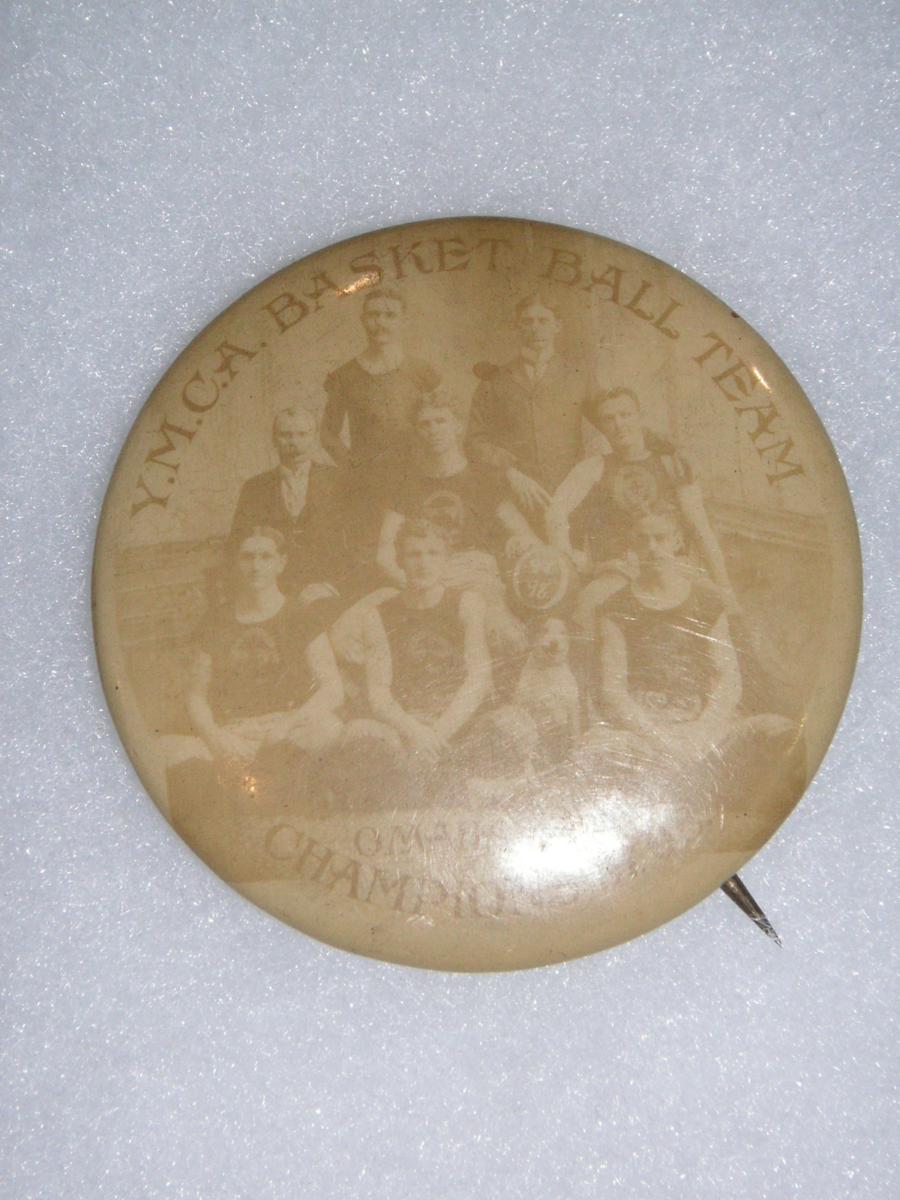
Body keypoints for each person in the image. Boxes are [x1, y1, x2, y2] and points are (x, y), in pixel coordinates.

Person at [184, 527, 344, 774]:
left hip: (288, 728)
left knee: (329, 728)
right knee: (172, 750)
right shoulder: (216, 621)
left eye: (266, 557)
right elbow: (196, 694)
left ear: (282, 563)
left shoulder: (301, 616)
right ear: (236, 562)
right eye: (247, 557)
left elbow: (333, 688)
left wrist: (286, 726)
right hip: (234, 730)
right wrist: (216, 738)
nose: (256, 567)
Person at [548, 387, 731, 591]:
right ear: (601, 427)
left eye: (625, 415)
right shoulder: (592, 468)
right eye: (609, 419)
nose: (619, 424)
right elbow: (555, 513)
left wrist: (726, 590)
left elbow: (700, 528)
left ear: (640, 417)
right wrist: (571, 564)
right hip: (618, 577)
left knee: (713, 599)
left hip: (671, 573)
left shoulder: (671, 464)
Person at [361, 519, 491, 763]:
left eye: (433, 553)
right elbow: (378, 693)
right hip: (408, 726)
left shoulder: (467, 604)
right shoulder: (377, 616)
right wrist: (416, 733)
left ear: (446, 559)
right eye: (414, 554)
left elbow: (479, 679)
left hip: (457, 721)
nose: (423, 563)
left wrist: (437, 735)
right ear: (400, 560)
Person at [465, 292, 598, 515]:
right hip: (514, 493)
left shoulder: (579, 376)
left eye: (543, 320)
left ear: (557, 326)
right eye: (527, 321)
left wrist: (654, 444)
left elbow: (613, 418)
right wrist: (509, 473)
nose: (535, 328)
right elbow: (474, 441)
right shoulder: (494, 380)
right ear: (517, 327)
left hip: (570, 493)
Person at [230, 405, 344, 601]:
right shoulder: (255, 488)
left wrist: (331, 585)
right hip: (273, 592)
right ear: (274, 439)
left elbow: (357, 542)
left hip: (329, 587)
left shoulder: (339, 481)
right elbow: (239, 542)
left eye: (302, 434)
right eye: (286, 435)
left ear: (314, 438)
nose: (294, 442)